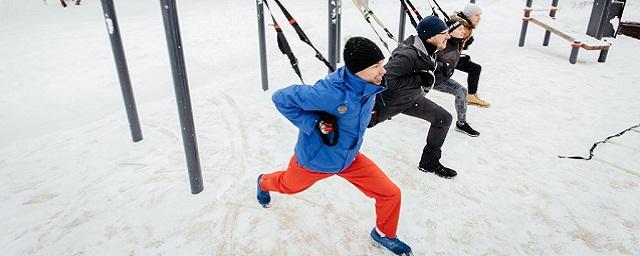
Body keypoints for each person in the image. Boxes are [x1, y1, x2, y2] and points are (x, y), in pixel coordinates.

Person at [257, 37, 413, 255]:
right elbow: (281, 98)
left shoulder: (369, 85)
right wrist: (313, 123)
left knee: (391, 193)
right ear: (357, 70)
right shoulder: (328, 93)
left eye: (382, 63)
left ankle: (383, 234)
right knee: (287, 186)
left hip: (349, 158)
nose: (383, 71)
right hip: (315, 162)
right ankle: (264, 182)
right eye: (376, 66)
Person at [368, 16, 457, 179]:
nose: (448, 36)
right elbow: (386, 80)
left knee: (443, 118)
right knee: (351, 128)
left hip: (410, 99)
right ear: (430, 36)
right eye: (444, 33)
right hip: (386, 105)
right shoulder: (408, 55)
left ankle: (429, 163)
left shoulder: (428, 49)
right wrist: (418, 79)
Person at [432, 17, 480, 137]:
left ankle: (461, 123)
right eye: (459, 29)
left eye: (463, 29)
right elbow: (428, 59)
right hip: (430, 79)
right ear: (450, 31)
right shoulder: (442, 44)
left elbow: (452, 58)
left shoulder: (455, 42)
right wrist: (441, 65)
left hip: (442, 78)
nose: (463, 31)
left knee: (462, 91)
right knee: (410, 98)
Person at [456, 3, 491, 108]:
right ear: (468, 15)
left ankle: (472, 94)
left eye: (480, 15)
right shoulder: (464, 28)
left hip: (450, 57)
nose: (479, 18)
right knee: (475, 68)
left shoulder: (462, 24)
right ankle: (471, 96)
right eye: (476, 15)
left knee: (474, 67)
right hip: (447, 60)